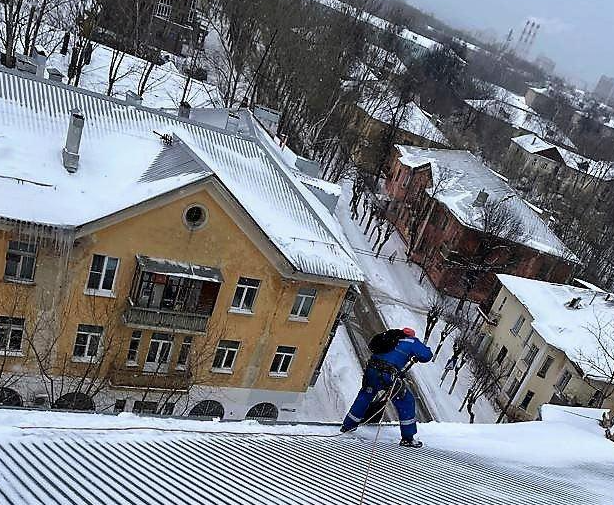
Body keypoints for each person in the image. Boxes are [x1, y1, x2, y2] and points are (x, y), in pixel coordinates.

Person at [341, 327, 433, 448]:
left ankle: (348, 425)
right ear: (411, 335)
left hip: (371, 370)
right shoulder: (412, 341)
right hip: (388, 374)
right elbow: (426, 355)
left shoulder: (391, 338)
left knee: (365, 394)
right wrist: (417, 355)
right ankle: (408, 438)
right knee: (406, 400)